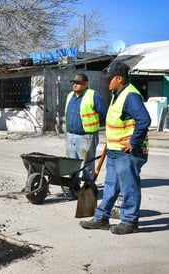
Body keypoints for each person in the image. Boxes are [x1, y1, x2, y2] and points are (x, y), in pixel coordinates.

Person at [79, 62, 151, 235]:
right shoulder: (117, 94)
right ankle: (101, 218)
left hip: (128, 152)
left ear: (119, 78)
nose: (107, 82)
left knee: (129, 187)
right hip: (114, 150)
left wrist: (134, 142)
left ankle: (130, 221)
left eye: (110, 78)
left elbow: (144, 120)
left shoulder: (131, 96)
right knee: (111, 185)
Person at [64, 73, 107, 196]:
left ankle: (87, 187)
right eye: (74, 82)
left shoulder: (93, 95)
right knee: (71, 163)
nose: (75, 85)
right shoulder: (70, 96)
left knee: (87, 163)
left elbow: (103, 114)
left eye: (78, 83)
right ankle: (73, 185)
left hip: (86, 136)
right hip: (71, 134)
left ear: (86, 84)